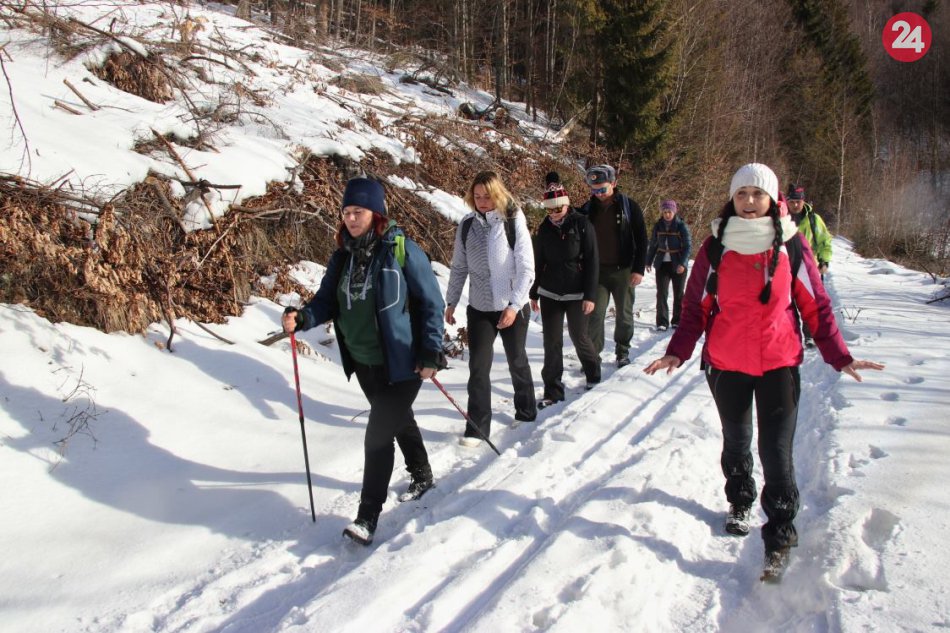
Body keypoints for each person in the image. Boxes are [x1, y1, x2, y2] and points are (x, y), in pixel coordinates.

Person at [644, 163, 884, 578]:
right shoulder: (715, 246)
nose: (750, 201)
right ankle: (740, 500)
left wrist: (839, 355)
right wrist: (677, 352)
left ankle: (779, 535)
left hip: (779, 364)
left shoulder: (791, 244)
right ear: (732, 199)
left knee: (776, 453)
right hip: (726, 364)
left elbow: (816, 305)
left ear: (773, 200)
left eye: (758, 194)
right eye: (742, 194)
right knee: (737, 441)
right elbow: (694, 308)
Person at [281, 177, 446, 546]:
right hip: (364, 363)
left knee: (378, 434)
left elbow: (431, 303)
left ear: (377, 213)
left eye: (359, 211)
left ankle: (367, 516)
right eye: (347, 212)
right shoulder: (342, 257)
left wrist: (430, 352)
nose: (351, 218)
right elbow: (325, 302)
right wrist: (302, 317)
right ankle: (422, 474)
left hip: (404, 362)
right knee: (397, 419)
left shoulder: (402, 250)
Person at [445, 171, 536, 447]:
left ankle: (526, 411)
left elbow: (527, 269)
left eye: (487, 196)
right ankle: (477, 427)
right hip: (480, 307)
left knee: (516, 359)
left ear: (497, 195)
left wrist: (514, 306)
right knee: (478, 367)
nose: (482, 201)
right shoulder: (467, 225)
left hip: (512, 305)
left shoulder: (512, 221)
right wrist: (451, 301)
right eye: (477, 196)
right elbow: (459, 267)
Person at [529, 172, 601, 408]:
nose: (554, 213)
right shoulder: (544, 228)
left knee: (579, 336)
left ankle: (593, 373)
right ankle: (553, 390)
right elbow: (538, 262)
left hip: (577, 292)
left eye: (558, 208)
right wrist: (534, 292)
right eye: (550, 209)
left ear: (567, 204)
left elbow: (592, 261)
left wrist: (590, 295)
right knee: (551, 342)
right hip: (550, 292)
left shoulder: (582, 224)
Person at [578, 164, 648, 367]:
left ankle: (622, 351)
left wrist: (638, 269)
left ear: (614, 183)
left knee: (624, 314)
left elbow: (642, 239)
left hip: (624, 271)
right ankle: (593, 357)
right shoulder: (587, 209)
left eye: (602, 189)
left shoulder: (629, 207)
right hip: (597, 273)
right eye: (594, 190)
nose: (599, 194)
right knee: (594, 315)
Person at [645, 199, 692, 331]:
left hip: (678, 263)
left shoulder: (681, 226)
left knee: (678, 293)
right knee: (661, 293)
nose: (667, 214)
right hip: (662, 264)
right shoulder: (658, 225)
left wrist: (683, 263)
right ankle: (662, 322)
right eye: (665, 212)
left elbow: (688, 246)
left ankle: (677, 320)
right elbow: (653, 244)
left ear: (674, 212)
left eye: (669, 212)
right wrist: (648, 261)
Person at [786, 184, 832, 279]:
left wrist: (824, 261)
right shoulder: (781, 219)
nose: (795, 205)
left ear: (803, 201)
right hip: (785, 269)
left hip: (808, 269)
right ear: (787, 202)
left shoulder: (813, 219)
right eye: (792, 202)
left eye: (798, 201)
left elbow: (824, 241)